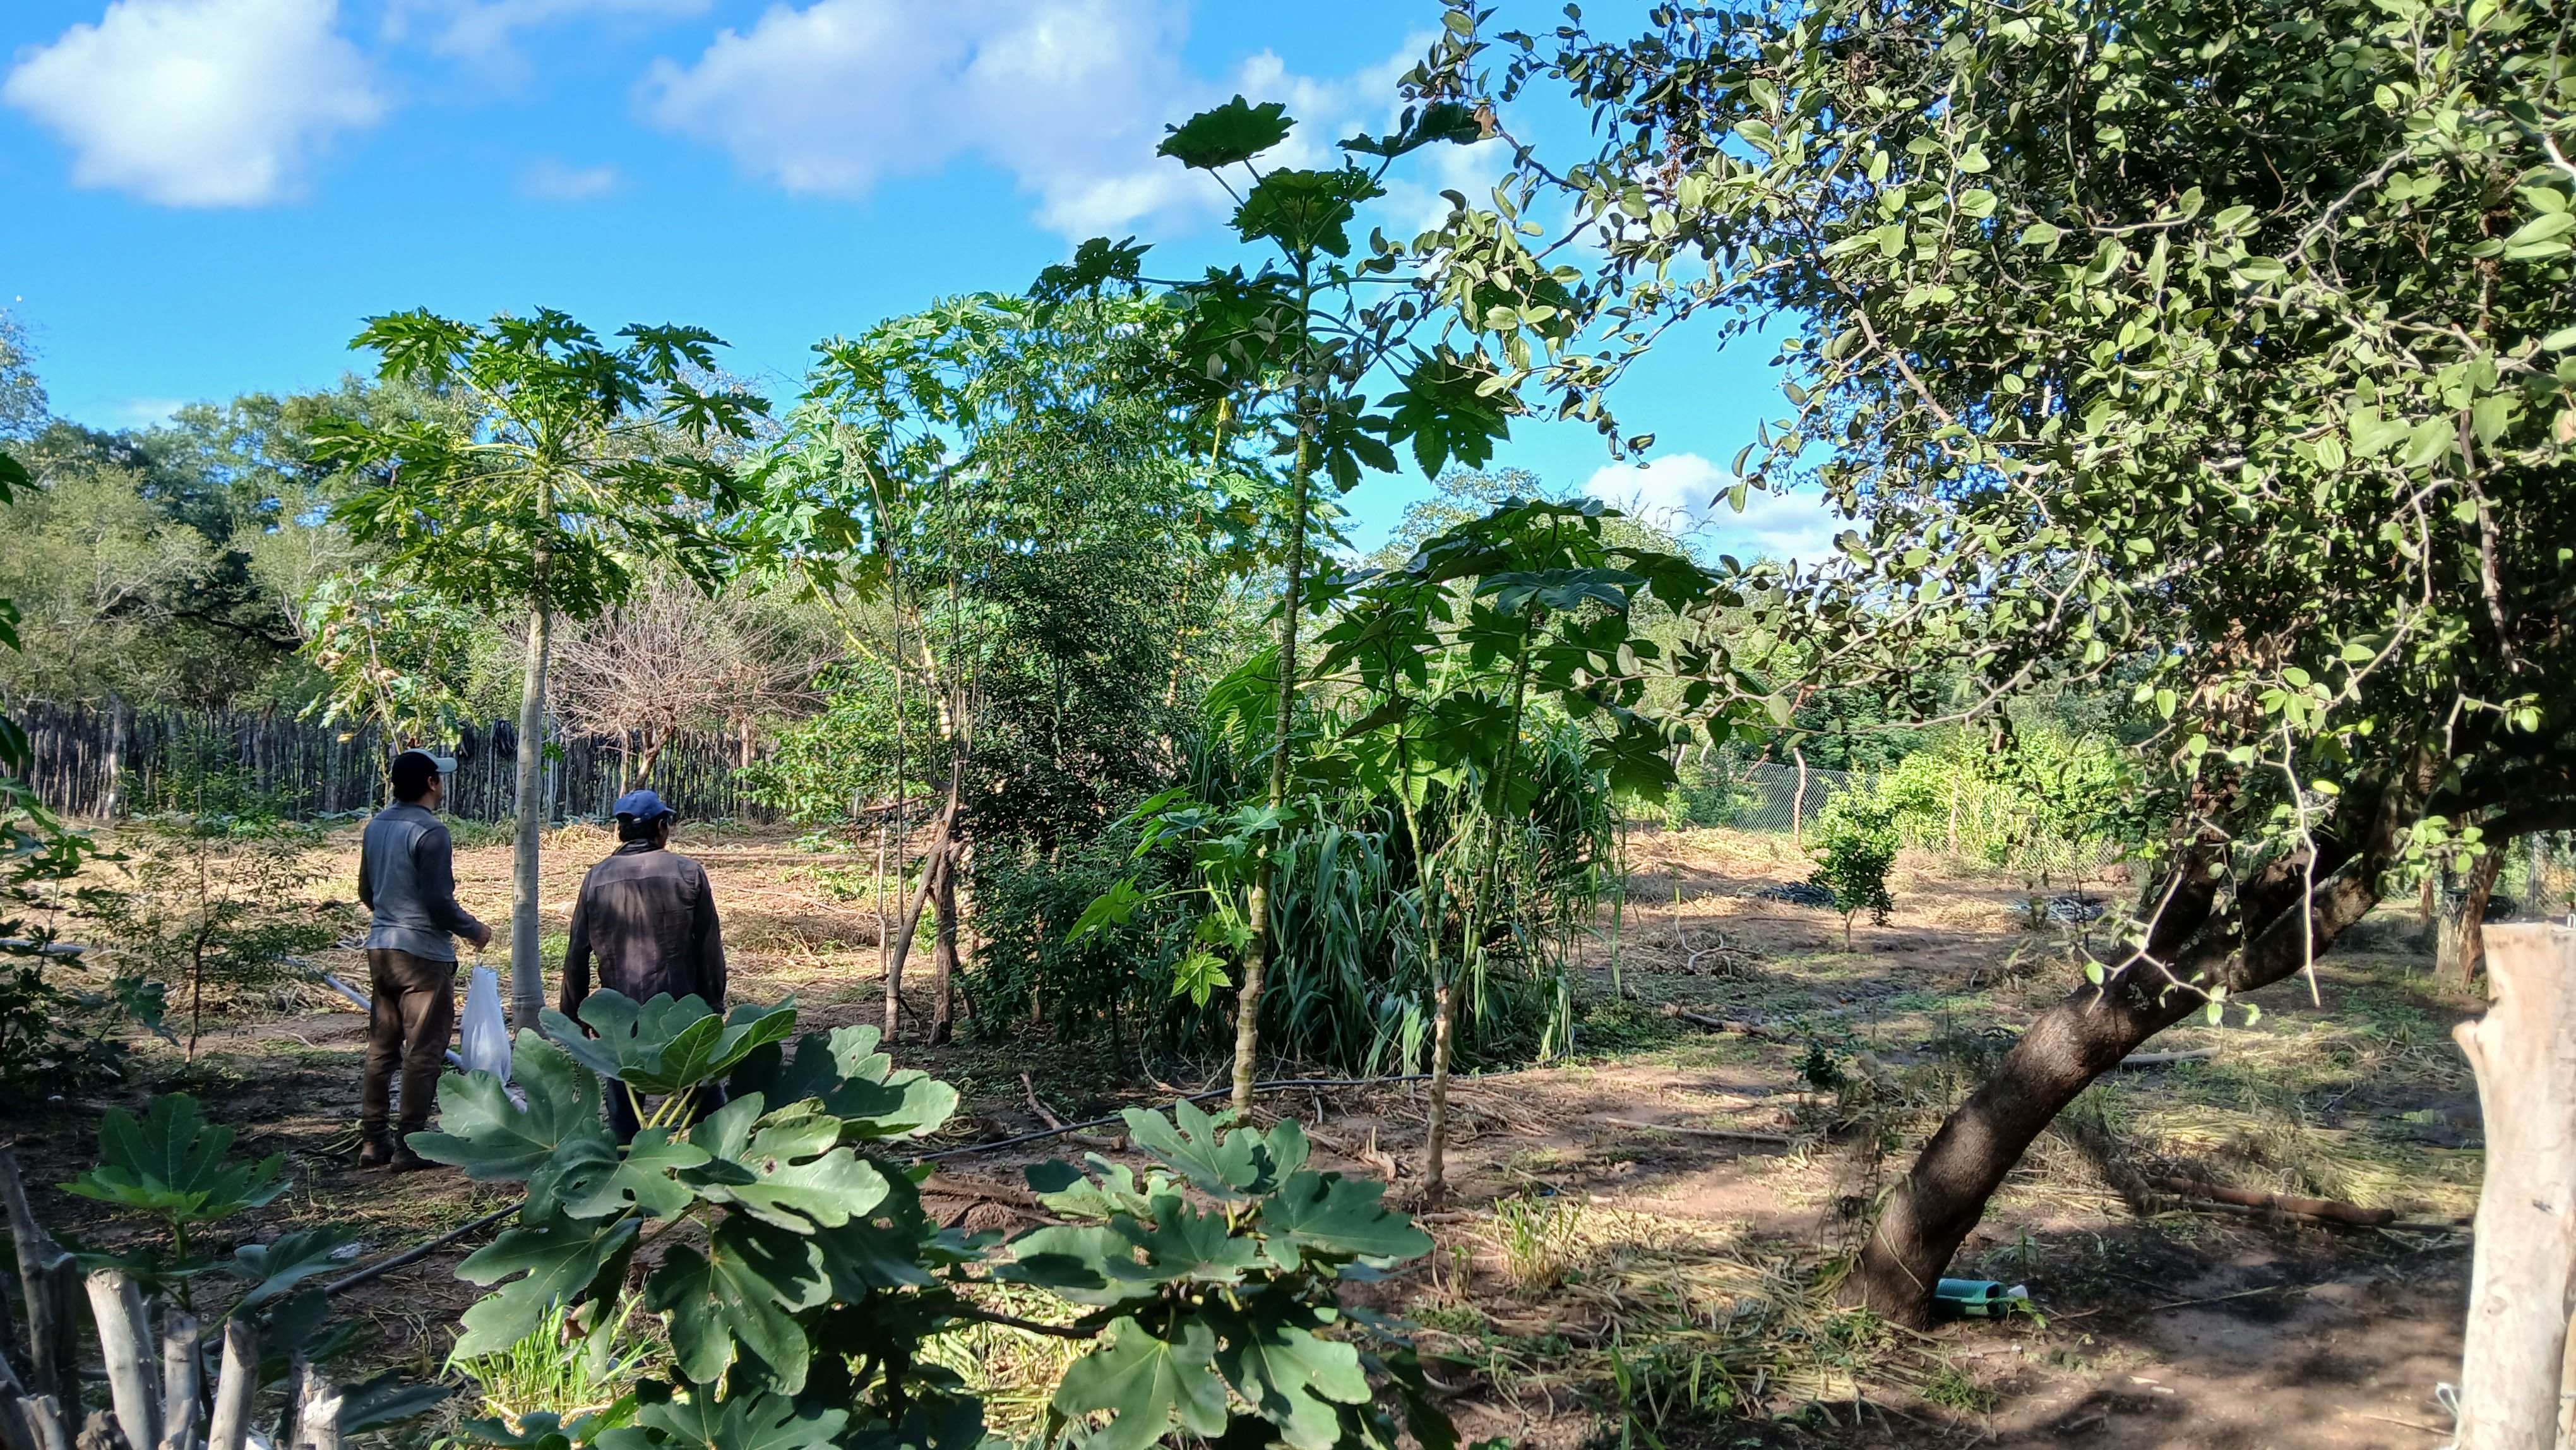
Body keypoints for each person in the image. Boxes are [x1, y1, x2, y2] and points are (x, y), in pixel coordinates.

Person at [561, 788, 727, 1142]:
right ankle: (719, 1162)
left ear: (620, 833)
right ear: (662, 827)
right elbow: (709, 946)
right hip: (682, 1008)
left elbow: (577, 952)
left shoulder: (596, 878)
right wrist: (713, 1003)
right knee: (702, 1092)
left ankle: (627, 1166)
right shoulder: (689, 872)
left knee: (624, 1094)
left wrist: (574, 1015)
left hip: (620, 1013)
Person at [356, 750, 491, 1170]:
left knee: (382, 1046)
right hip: (422, 955)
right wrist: (474, 929)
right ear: (433, 783)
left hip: (381, 949)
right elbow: (438, 902)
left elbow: (366, 891)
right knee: (424, 1050)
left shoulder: (376, 826)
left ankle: (372, 1139)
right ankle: (410, 1144)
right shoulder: (431, 832)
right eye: (441, 778)